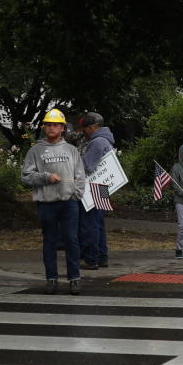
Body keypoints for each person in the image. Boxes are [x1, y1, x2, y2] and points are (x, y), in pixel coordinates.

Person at [21, 109, 87, 295]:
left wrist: (76, 194)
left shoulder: (72, 150)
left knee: (71, 240)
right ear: (44, 127)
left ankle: (74, 279)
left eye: (55, 125)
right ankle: (51, 279)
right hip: (46, 203)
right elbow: (26, 177)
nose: (51, 128)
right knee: (49, 241)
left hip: (69, 203)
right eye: (48, 124)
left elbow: (80, 176)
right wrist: (46, 177)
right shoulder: (35, 150)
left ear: (62, 128)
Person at [76, 112, 115, 270]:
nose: (83, 132)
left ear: (91, 127)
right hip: (103, 186)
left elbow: (88, 166)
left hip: (93, 187)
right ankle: (102, 257)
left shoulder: (97, 142)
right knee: (98, 223)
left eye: (84, 129)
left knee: (89, 223)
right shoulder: (107, 140)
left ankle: (91, 259)